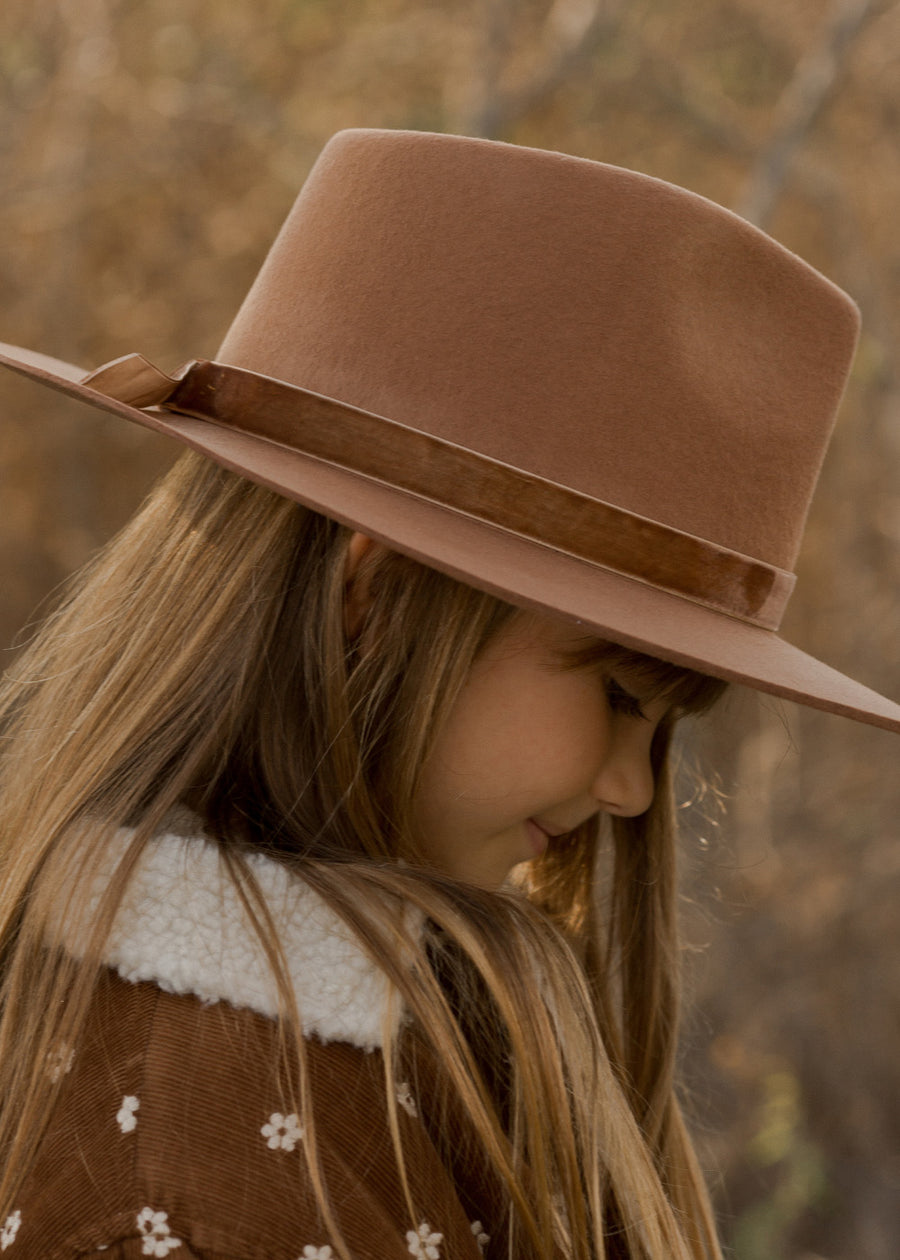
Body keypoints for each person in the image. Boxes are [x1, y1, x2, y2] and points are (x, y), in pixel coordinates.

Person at [0, 129, 896, 1260]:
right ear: (371, 602)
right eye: (620, 693)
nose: (630, 790)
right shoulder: (188, 1171)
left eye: (666, 731)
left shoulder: (387, 1058)